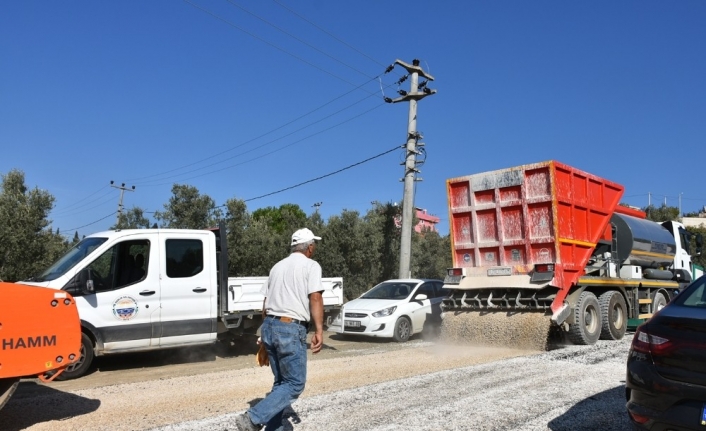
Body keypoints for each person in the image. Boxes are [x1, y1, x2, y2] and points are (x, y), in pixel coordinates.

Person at [234, 228, 325, 431]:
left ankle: (275, 428)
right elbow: (316, 297)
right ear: (309, 247)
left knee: (281, 382)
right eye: (314, 245)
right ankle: (253, 418)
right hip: (290, 328)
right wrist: (319, 330)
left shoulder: (277, 267)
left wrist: (266, 333)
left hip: (270, 325)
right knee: (294, 384)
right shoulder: (311, 266)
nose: (314, 248)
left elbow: (265, 304)